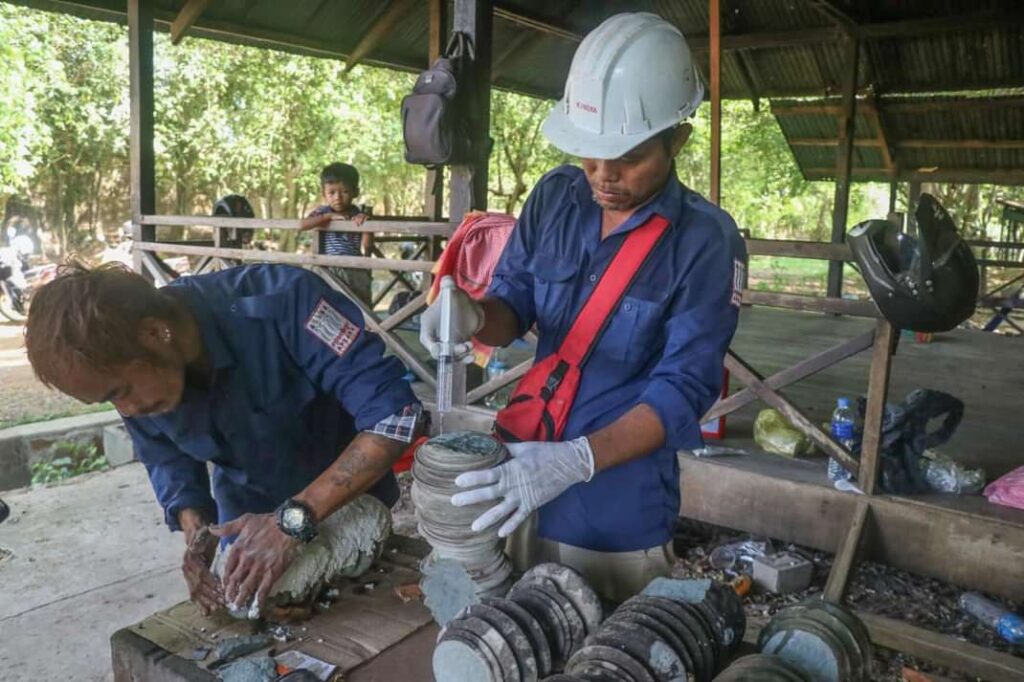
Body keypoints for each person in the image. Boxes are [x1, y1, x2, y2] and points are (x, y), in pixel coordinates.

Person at [418, 12, 747, 602]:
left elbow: (684, 388)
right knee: (507, 635)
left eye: (626, 157)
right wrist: (471, 314)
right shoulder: (554, 198)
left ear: (678, 140)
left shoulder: (705, 242)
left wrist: (573, 461)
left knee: (606, 651)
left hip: (615, 501)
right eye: (590, 156)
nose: (603, 175)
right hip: (518, 467)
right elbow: (513, 304)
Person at [25, 263, 422, 615]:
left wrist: (291, 521)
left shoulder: (286, 301)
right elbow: (167, 460)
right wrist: (196, 534)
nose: (126, 410)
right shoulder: (137, 381)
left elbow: (395, 417)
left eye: (118, 392)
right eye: (109, 401)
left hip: (347, 513)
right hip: (246, 532)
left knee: (366, 623)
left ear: (155, 333)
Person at [299, 162, 373, 306]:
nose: (338, 197)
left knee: (360, 308)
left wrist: (366, 226)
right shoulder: (322, 212)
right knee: (326, 308)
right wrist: (327, 217)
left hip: (353, 269)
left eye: (344, 192)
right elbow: (302, 225)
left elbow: (367, 246)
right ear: (324, 194)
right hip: (328, 269)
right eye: (331, 192)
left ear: (355, 192)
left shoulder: (357, 214)